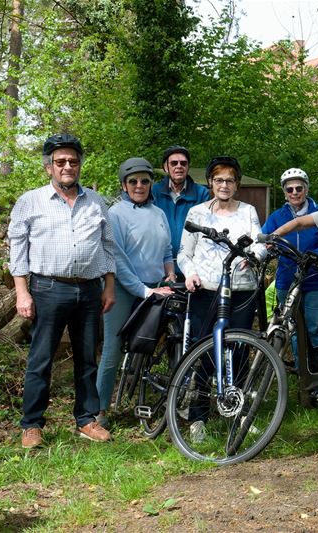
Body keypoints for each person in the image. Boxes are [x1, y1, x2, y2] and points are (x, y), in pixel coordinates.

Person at [9, 134, 116, 448]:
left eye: (73, 161)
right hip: (47, 288)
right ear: (49, 168)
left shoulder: (97, 202)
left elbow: (108, 248)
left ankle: (86, 420)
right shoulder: (30, 201)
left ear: (80, 165)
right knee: (40, 359)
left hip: (90, 291)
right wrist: (21, 292)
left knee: (87, 358)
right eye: (60, 162)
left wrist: (109, 287)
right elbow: (17, 249)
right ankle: (32, 425)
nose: (67, 166)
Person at [177, 156, 266, 442]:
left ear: (237, 184)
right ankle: (198, 417)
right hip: (206, 290)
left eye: (229, 180)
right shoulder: (197, 213)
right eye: (218, 180)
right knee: (203, 351)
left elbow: (260, 243)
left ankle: (238, 414)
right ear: (210, 184)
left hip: (240, 290)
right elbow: (183, 253)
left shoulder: (249, 211)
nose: (224, 185)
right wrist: (189, 274)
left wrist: (253, 257)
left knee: (239, 351)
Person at [95, 158, 176, 428]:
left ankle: (147, 397)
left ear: (151, 184)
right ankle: (99, 411)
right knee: (113, 349)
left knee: (148, 344)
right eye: (133, 181)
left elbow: (167, 250)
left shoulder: (159, 213)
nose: (139, 185)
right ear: (123, 185)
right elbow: (117, 258)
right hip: (124, 289)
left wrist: (170, 272)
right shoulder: (116, 213)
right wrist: (143, 290)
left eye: (144, 181)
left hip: (155, 287)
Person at [261, 168, 318, 358]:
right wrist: (267, 247)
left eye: (298, 188)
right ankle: (301, 370)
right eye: (290, 189)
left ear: (306, 189)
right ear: (285, 192)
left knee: (314, 326)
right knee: (292, 327)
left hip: (316, 278)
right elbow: (264, 239)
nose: (294, 193)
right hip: (287, 279)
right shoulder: (277, 217)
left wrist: (312, 255)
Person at [152, 145, 210, 277]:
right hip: (160, 267)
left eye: (183, 163)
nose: (179, 166)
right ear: (165, 167)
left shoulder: (202, 194)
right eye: (174, 163)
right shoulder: (153, 192)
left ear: (188, 167)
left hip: (193, 268)